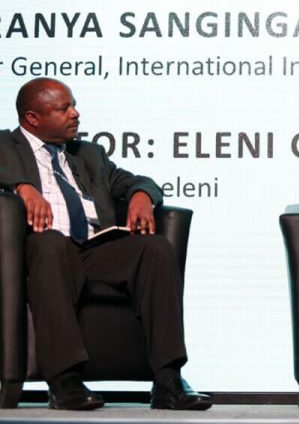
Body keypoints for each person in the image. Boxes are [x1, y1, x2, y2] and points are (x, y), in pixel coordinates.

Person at [0, 78, 211, 411]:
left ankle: (168, 379)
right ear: (32, 118)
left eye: (73, 105)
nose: (75, 114)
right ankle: (64, 380)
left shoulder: (89, 154)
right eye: (63, 108)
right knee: (49, 243)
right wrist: (22, 187)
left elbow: (139, 181)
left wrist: (141, 196)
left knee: (155, 249)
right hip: (40, 252)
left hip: (92, 249)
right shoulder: (5, 145)